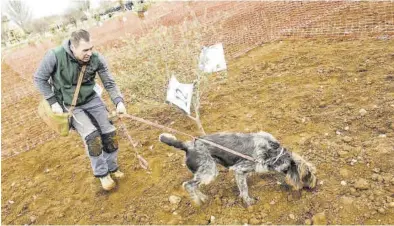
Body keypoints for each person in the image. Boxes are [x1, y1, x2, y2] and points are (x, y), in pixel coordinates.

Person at [34, 29, 126, 191]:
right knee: (92, 137)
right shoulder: (54, 56)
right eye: (85, 50)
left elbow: (109, 83)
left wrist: (119, 102)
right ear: (73, 47)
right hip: (70, 104)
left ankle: (112, 167)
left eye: (91, 48)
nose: (89, 53)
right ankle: (103, 174)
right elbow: (39, 79)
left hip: (92, 98)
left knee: (109, 132)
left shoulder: (96, 59)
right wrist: (53, 102)